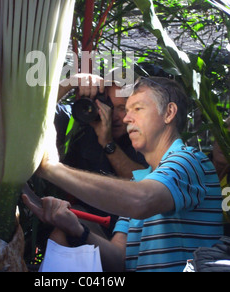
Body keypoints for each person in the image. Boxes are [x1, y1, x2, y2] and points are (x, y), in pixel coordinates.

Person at [23, 77, 224, 272]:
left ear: (169, 113)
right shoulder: (141, 179)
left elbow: (141, 200)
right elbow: (119, 260)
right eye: (126, 111)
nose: (126, 118)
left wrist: (52, 168)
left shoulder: (189, 161)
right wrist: (77, 229)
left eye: (137, 109)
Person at [54, 73, 147, 237]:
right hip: (85, 222)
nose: (115, 116)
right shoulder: (81, 123)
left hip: (131, 232)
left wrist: (107, 142)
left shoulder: (144, 136)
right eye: (108, 105)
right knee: (62, 230)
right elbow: (35, 113)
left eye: (122, 108)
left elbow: (144, 186)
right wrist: (72, 81)